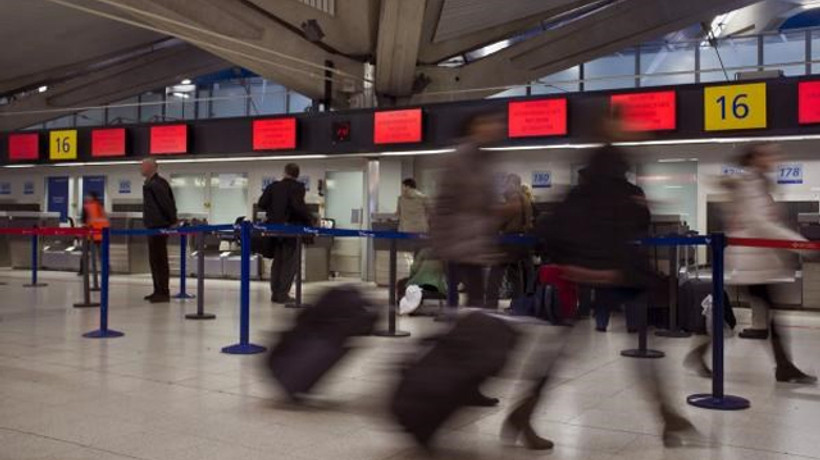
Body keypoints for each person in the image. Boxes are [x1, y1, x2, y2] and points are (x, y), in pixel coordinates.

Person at [505, 111, 696, 450]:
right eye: (625, 124)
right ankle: (667, 417)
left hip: (600, 269)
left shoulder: (605, 165)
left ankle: (668, 417)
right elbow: (622, 218)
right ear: (609, 127)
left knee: (569, 347)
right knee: (569, 347)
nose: (634, 129)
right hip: (606, 269)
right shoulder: (608, 164)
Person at [719, 143, 816, 384]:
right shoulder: (751, 184)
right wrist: (798, 243)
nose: (775, 158)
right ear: (754, 159)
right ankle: (784, 367)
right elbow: (760, 224)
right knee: (774, 314)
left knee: (773, 314)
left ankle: (784, 366)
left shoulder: (757, 183)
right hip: (753, 263)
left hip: (759, 261)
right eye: (768, 154)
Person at [430, 112, 506, 310]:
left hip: (476, 243)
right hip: (461, 243)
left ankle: (467, 332)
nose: (495, 128)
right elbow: (444, 204)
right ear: (473, 127)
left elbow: (484, 204)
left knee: (475, 300)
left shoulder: (485, 159)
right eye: (487, 123)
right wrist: (440, 245)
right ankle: (464, 335)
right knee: (472, 300)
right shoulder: (460, 159)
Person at [258, 163, 315, 304]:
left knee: (277, 262)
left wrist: (273, 211)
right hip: (290, 230)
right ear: (296, 174)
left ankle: (275, 293)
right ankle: (283, 294)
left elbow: (262, 203)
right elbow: (297, 207)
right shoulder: (297, 187)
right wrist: (310, 218)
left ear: (285, 172)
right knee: (289, 263)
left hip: (274, 231)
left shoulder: (273, 186)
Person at [487, 174, 534, 306]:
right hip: (521, 242)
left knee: (495, 273)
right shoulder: (525, 198)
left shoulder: (513, 199)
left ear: (513, 184)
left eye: (507, 183)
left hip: (509, 241)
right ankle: (517, 304)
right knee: (515, 275)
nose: (505, 186)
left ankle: (491, 303)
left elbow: (502, 219)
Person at [141, 158, 177, 303]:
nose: (141, 168)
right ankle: (157, 289)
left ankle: (163, 291)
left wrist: (172, 220)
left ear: (151, 167)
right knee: (154, 260)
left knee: (160, 259)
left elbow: (166, 203)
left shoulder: (157, 184)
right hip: (152, 226)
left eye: (143, 166)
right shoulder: (150, 183)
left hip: (159, 226)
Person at [79, 191, 109, 277]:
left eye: (88, 196)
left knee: (85, 254)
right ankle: (106, 269)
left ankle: (82, 270)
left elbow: (84, 221)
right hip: (101, 234)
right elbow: (105, 220)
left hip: (89, 235)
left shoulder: (86, 207)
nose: (87, 197)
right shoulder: (100, 206)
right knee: (101, 254)